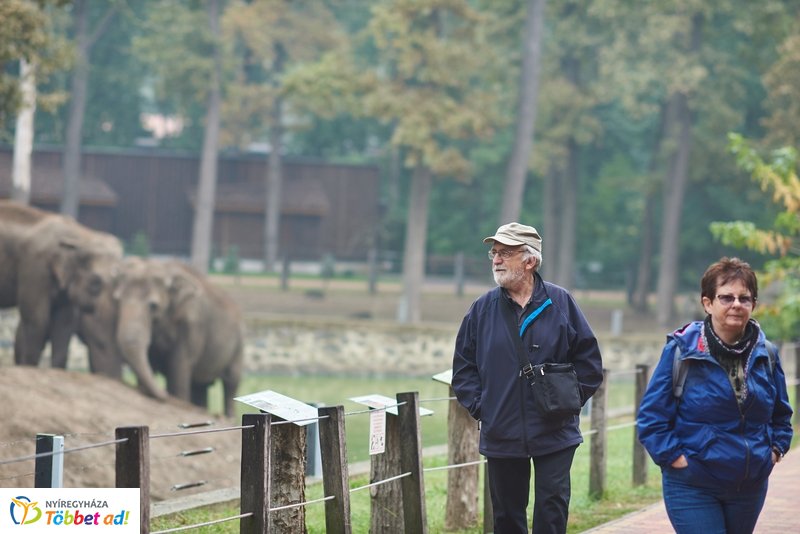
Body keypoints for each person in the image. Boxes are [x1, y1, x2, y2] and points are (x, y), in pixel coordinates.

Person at [451, 222, 604, 534]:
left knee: (551, 511)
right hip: (501, 432)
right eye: (494, 253)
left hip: (555, 431)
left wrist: (568, 403)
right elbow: (463, 368)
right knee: (506, 517)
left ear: (530, 260)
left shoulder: (561, 303)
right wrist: (484, 408)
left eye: (505, 253)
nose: (496, 259)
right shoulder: (481, 310)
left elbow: (589, 364)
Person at [637, 257, 793, 534]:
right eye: (726, 297)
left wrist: (774, 450)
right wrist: (678, 461)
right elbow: (651, 420)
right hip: (693, 483)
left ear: (754, 305)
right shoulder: (681, 352)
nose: (736, 304)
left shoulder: (766, 353)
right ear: (707, 303)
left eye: (744, 298)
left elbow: (781, 414)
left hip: (749, 485)